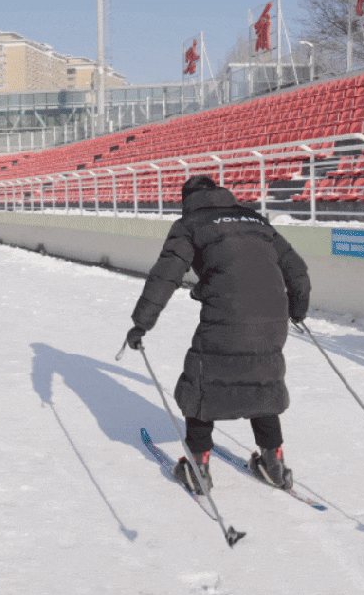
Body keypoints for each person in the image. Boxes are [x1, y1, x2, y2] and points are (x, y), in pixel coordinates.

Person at [126, 175, 310, 495]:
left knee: (201, 385)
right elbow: (297, 270)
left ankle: (198, 468)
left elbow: (165, 275)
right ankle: (273, 463)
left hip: (226, 318)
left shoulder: (190, 223)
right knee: (261, 380)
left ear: (187, 200)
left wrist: (142, 323)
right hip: (271, 318)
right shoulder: (255, 219)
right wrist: (297, 310)